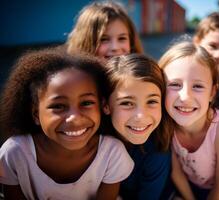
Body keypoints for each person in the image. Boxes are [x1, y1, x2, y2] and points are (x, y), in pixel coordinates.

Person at [0, 49, 134, 200]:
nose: (74, 118)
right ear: (36, 114)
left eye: (86, 103)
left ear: (102, 106)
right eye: (58, 106)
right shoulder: (15, 154)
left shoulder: (111, 153)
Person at [159, 41, 219, 200]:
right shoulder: (166, 123)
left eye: (197, 86)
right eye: (174, 84)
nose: (185, 97)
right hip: (188, 185)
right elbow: (176, 172)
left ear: (212, 92)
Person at [102, 54, 173, 200]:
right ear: (106, 105)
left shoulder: (157, 150)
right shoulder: (93, 143)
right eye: (127, 103)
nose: (141, 116)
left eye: (152, 101)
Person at [66, 1, 143, 63]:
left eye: (122, 38)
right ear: (85, 43)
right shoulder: (77, 81)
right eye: (104, 39)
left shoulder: (144, 78)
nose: (115, 47)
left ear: (132, 42)